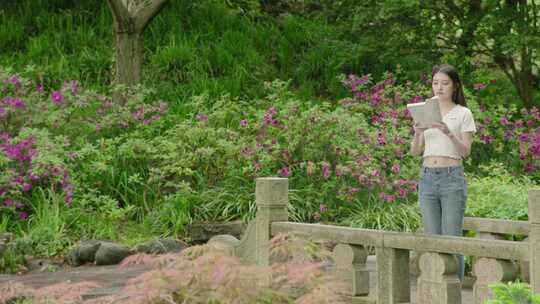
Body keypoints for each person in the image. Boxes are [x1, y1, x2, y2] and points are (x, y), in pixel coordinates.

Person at [410, 64, 476, 281]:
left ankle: (453, 291)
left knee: (452, 240)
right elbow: (415, 152)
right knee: (432, 240)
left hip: (452, 178)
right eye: (435, 82)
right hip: (427, 178)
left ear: (455, 86)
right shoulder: (425, 110)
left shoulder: (463, 113)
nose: (439, 87)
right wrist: (418, 133)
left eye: (445, 83)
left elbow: (465, 152)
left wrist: (448, 132)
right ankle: (436, 288)